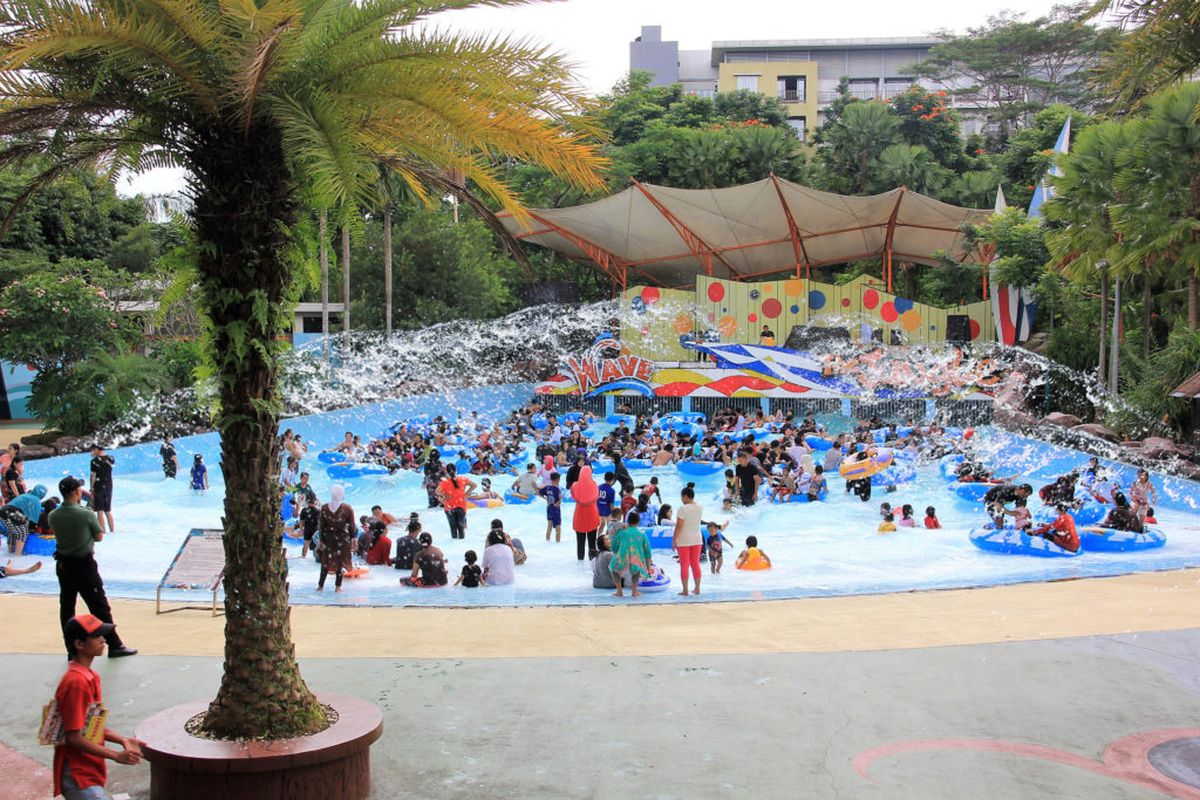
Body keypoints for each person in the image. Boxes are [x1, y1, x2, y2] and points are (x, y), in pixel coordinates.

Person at [53, 614, 146, 800]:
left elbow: (91, 725)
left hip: (90, 770)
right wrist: (116, 755)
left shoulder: (90, 676)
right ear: (79, 644)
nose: (103, 639)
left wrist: (123, 740)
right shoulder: (76, 683)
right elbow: (74, 737)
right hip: (78, 774)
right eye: (97, 636)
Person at [48, 477, 136, 658]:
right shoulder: (85, 513)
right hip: (84, 565)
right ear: (77, 492)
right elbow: (99, 536)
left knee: (67, 607)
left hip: (63, 565)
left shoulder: (53, 515)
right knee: (99, 606)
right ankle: (114, 644)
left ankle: (72, 650)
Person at [316, 485, 354, 592]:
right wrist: (354, 539)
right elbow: (352, 526)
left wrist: (321, 540)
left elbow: (321, 527)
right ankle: (338, 587)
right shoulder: (347, 508)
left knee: (325, 561)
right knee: (340, 563)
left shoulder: (324, 508)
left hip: (329, 538)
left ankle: (320, 586)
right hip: (342, 539)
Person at [609, 511, 653, 598]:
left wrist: (616, 552)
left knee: (613, 569)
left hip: (622, 557)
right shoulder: (642, 534)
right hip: (636, 558)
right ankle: (634, 591)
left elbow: (614, 545)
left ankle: (619, 591)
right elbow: (648, 552)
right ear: (638, 521)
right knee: (636, 572)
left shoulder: (622, 532)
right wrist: (648, 568)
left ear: (627, 521)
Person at [673, 486, 704, 597]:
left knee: (684, 565)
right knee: (695, 563)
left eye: (682, 497)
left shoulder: (683, 509)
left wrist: (674, 539)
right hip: (697, 538)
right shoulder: (700, 507)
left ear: (685, 496)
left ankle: (685, 590)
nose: (681, 499)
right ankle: (697, 588)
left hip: (684, 540)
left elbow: (679, 526)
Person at [2, 483, 47, 555]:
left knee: (13, 532)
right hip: (13, 512)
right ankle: (17, 555)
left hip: (3, 511)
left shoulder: (25, 495)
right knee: (23, 533)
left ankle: (10, 552)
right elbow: (34, 520)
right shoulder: (36, 500)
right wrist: (33, 529)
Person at [570, 465, 601, 561]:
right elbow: (597, 496)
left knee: (580, 541)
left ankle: (580, 559)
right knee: (592, 543)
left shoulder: (575, 486)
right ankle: (593, 562)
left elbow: (573, 496)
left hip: (579, 516)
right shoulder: (594, 485)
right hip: (592, 516)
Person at [436, 464, 475, 541]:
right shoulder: (463, 479)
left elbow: (437, 491)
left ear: (446, 471)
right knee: (461, 528)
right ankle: (461, 547)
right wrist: (467, 493)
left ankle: (454, 545)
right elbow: (474, 485)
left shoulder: (444, 482)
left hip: (449, 507)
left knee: (453, 527)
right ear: (456, 470)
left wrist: (445, 495)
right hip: (461, 506)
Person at [88, 445, 115, 535]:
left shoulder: (94, 461)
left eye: (92, 451)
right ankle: (112, 531)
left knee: (99, 510)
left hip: (99, 486)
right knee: (107, 510)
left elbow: (92, 476)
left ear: (96, 450)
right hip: (109, 485)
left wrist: (91, 488)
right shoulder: (111, 458)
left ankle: (103, 531)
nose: (91, 453)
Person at [295, 495, 320, 560]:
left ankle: (303, 557)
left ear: (307, 502)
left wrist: (301, 529)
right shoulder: (318, 511)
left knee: (305, 544)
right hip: (315, 530)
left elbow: (301, 521)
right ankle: (316, 559)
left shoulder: (304, 510)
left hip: (307, 529)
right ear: (315, 502)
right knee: (315, 545)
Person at [540, 471, 562, 543]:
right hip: (556, 510)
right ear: (557, 480)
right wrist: (558, 502)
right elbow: (560, 499)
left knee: (549, 527)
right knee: (558, 529)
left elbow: (538, 492)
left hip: (549, 508)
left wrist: (545, 498)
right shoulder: (557, 489)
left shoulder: (547, 488)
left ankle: (547, 542)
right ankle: (558, 544)